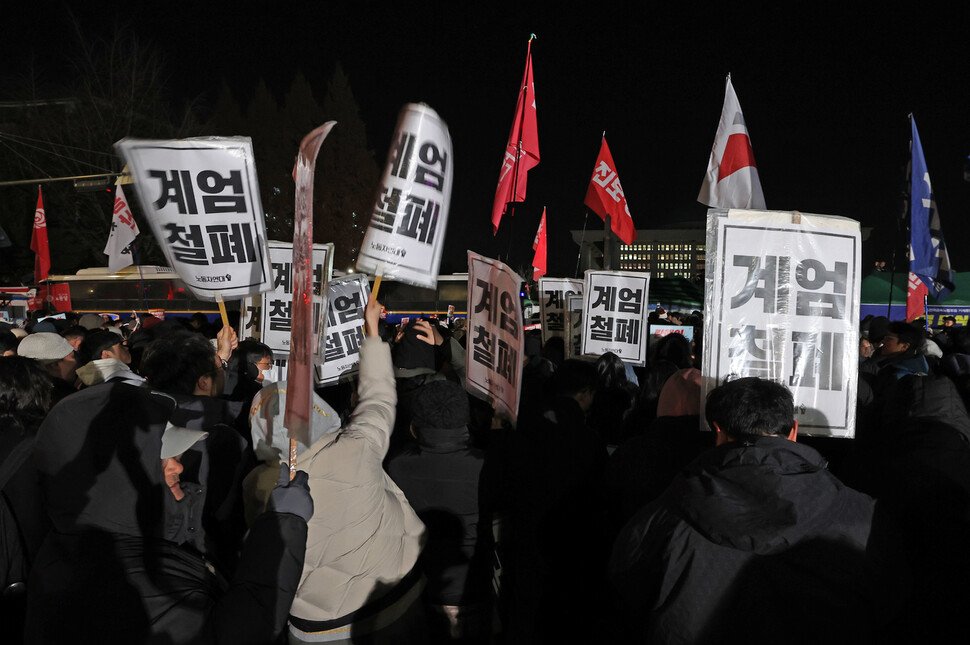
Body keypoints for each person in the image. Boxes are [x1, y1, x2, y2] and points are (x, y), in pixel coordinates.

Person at [25, 376, 312, 644]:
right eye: (159, 460)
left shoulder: (114, 536)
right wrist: (282, 529)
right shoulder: (116, 580)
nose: (178, 466)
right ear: (114, 479)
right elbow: (234, 634)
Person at [611, 377, 898, 644]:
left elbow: (625, 595)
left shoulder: (662, 517)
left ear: (718, 432)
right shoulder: (864, 515)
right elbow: (888, 601)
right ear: (794, 431)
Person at [247, 296, 427, 643]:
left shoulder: (258, 484)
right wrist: (371, 332)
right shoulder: (356, 447)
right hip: (394, 603)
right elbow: (378, 397)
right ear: (317, 411)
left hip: (314, 627)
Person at [387, 380, 491, 642]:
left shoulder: (397, 466)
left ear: (414, 426)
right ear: (466, 419)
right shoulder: (487, 466)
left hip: (419, 588)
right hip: (474, 584)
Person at [16, 332, 78, 403]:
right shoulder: (66, 400)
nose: (75, 362)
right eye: (72, 357)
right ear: (55, 364)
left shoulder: (15, 394)